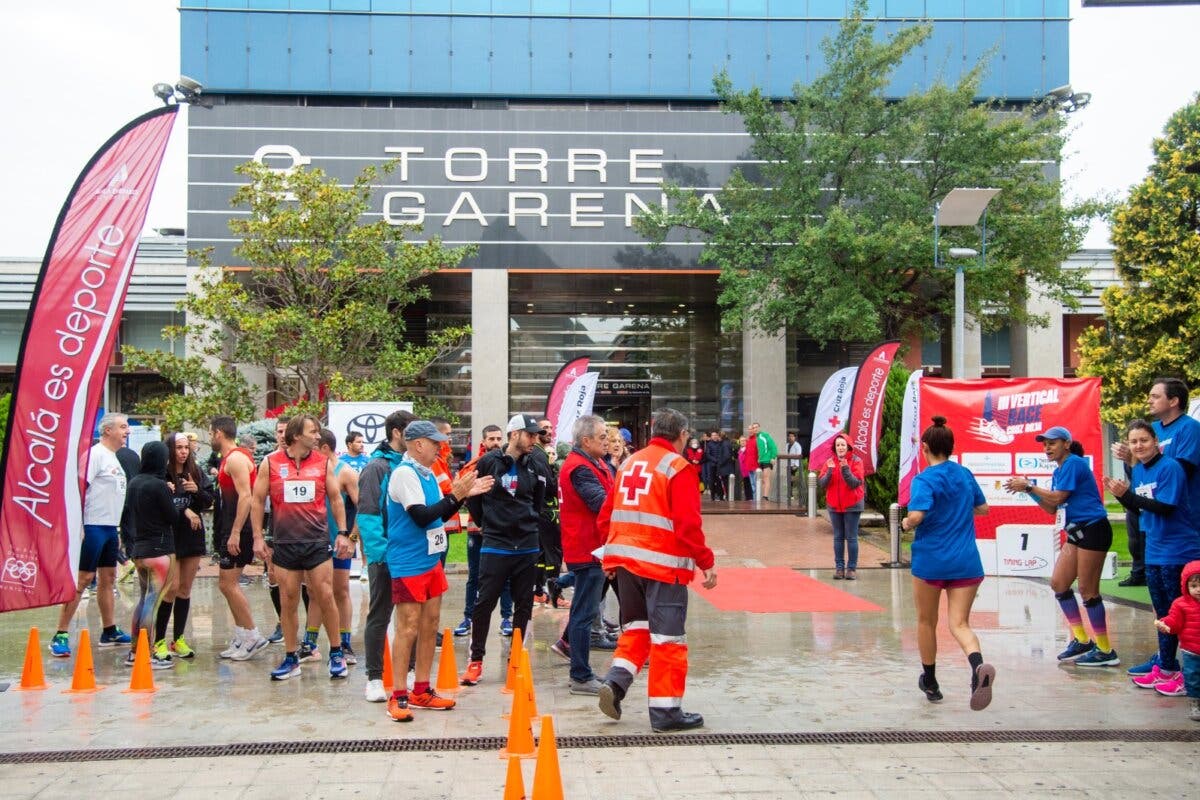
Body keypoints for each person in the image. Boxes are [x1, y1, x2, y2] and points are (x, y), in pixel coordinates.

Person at [596, 408, 718, 732]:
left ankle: (616, 683)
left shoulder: (628, 464)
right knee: (668, 640)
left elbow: (604, 517)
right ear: (681, 435)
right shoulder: (679, 468)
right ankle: (666, 712)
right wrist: (707, 562)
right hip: (663, 567)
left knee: (636, 631)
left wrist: (610, 559)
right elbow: (688, 526)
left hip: (626, 566)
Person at [384, 421, 492, 721]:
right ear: (418, 444)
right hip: (408, 561)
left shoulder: (427, 473)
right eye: (435, 444)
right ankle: (398, 694)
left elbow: (441, 512)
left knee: (430, 623)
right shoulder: (404, 474)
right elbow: (421, 516)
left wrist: (464, 495)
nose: (440, 449)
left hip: (430, 559)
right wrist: (456, 496)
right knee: (408, 627)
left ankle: (421, 689)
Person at [901, 416, 995, 710]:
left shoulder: (924, 479)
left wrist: (905, 522)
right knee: (960, 623)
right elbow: (983, 508)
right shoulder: (965, 474)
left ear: (925, 447)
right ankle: (977, 667)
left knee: (927, 621)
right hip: (966, 562)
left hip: (931, 561)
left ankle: (930, 682)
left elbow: (917, 515)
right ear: (951, 448)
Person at [1005, 426, 1119, 668]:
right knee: (1058, 583)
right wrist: (1030, 493)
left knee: (1088, 590)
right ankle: (1081, 640)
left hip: (1093, 529)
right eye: (1044, 444)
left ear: (1066, 444)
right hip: (1078, 533)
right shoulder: (1060, 470)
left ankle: (1106, 650)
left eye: (1052, 443)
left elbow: (1057, 498)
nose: (1047, 447)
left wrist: (1028, 486)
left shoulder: (1074, 463)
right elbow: (1051, 508)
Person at [251, 414, 352, 681]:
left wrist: (342, 533)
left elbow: (336, 499)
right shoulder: (270, 463)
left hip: (317, 541)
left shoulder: (322, 463)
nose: (318, 436)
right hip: (284, 543)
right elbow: (258, 500)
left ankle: (336, 653)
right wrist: (258, 538)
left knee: (325, 594)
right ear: (297, 435)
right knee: (288, 599)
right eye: (313, 431)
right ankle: (291, 656)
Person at [1106, 420, 1200, 695]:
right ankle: (1167, 667)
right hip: (1155, 550)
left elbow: (1166, 508)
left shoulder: (1169, 467)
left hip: (1178, 549)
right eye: (1134, 442)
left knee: (1182, 614)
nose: (1138, 446)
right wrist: (1122, 497)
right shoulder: (1139, 471)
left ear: (1155, 442)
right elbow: (1139, 510)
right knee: (1163, 614)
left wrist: (1128, 497)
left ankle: (1189, 675)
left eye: (1144, 440)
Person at [460, 413, 546, 686]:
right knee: (484, 603)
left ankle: (516, 661)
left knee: (524, 604)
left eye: (536, 435)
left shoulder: (536, 464)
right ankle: (476, 660)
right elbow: (473, 498)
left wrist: (529, 523)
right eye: (529, 434)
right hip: (496, 544)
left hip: (527, 545)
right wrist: (486, 523)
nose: (534, 439)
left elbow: (540, 502)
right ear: (514, 435)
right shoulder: (489, 462)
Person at [50, 412, 134, 658]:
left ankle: (109, 630)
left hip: (109, 528)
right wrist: (78, 525)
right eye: (122, 427)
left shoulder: (114, 458)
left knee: (108, 579)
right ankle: (61, 634)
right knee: (83, 579)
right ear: (107, 430)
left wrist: (117, 530)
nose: (126, 432)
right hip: (92, 526)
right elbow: (78, 489)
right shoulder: (95, 455)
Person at [550, 415, 616, 694]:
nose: (607, 441)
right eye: (602, 437)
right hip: (588, 549)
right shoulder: (580, 467)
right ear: (585, 440)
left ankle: (581, 671)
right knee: (583, 614)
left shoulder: (592, 463)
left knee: (585, 611)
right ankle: (580, 675)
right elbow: (601, 502)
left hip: (594, 548)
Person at [357, 409, 415, 702]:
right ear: (396, 433)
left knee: (412, 615)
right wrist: (379, 555)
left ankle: (412, 672)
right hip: (386, 557)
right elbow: (367, 514)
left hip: (412, 556)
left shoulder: (412, 465)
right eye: (411, 431)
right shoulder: (376, 468)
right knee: (380, 615)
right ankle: (374, 678)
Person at [209, 416, 270, 660]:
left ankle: (253, 635)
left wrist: (235, 532)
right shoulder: (231, 458)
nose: (210, 437)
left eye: (211, 432)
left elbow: (246, 496)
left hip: (239, 529)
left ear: (219, 433)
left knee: (228, 584)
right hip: (232, 527)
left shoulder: (235, 458)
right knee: (226, 584)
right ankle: (242, 634)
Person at [299, 429, 360, 664]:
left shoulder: (345, 472)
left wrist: (351, 540)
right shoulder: (312, 470)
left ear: (324, 448)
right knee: (314, 592)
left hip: (339, 543)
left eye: (313, 447)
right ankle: (310, 644)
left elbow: (363, 509)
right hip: (314, 542)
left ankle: (345, 645)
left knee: (340, 591)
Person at [123, 440, 184, 670]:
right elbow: (173, 517)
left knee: (143, 600)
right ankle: (144, 654)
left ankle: (133, 652)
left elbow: (128, 515)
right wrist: (171, 495)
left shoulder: (134, 483)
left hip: (139, 551)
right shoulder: (159, 485)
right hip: (160, 551)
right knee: (152, 603)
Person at [454, 424, 515, 638]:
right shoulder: (473, 466)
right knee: (475, 576)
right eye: (492, 439)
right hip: (477, 531)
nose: (496, 442)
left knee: (506, 576)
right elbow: (463, 495)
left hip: (501, 531)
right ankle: (468, 617)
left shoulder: (509, 464)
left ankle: (507, 617)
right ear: (483, 442)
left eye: (499, 438)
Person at [164, 432, 215, 659]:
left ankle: (179, 639)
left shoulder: (195, 471)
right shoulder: (162, 472)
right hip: (170, 536)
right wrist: (184, 509)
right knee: (170, 588)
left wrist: (198, 491)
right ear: (170, 449)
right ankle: (158, 641)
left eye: (186, 447)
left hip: (192, 535)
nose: (183, 451)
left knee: (185, 589)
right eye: (179, 447)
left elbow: (209, 500)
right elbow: (159, 503)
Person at [1153, 560, 1200, 721]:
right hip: (1191, 650)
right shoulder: (1180, 604)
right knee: (1192, 677)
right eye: (1193, 586)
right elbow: (1175, 621)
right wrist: (1165, 624)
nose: (1198, 590)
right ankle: (1195, 704)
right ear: (1186, 586)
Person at [818, 433, 864, 580]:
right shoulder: (829, 462)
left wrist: (845, 469)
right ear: (835, 447)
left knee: (851, 537)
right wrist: (830, 471)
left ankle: (851, 568)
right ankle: (839, 568)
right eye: (838, 445)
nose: (840, 447)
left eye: (843, 445)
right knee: (838, 537)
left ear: (848, 446)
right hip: (834, 505)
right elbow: (822, 483)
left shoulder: (857, 461)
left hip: (852, 505)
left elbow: (855, 483)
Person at [749, 422, 778, 502]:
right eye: (754, 428)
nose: (755, 429)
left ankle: (765, 497)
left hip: (767, 460)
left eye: (756, 427)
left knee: (766, 478)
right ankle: (763, 496)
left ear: (759, 427)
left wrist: (773, 457)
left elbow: (773, 446)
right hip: (760, 461)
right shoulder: (756, 438)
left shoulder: (765, 435)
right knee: (761, 479)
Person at [702, 430, 731, 501]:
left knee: (720, 482)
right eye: (713, 435)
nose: (714, 436)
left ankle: (721, 496)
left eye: (716, 435)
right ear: (711, 437)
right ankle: (713, 497)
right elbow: (708, 455)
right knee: (712, 481)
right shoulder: (709, 444)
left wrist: (720, 461)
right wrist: (716, 460)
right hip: (712, 465)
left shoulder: (721, 443)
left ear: (717, 436)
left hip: (720, 466)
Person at [737, 435, 755, 500]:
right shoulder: (740, 450)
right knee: (746, 486)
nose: (743, 442)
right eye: (741, 441)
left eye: (744, 440)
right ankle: (748, 498)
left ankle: (751, 498)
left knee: (750, 485)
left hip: (749, 471)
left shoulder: (748, 449)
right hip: (744, 472)